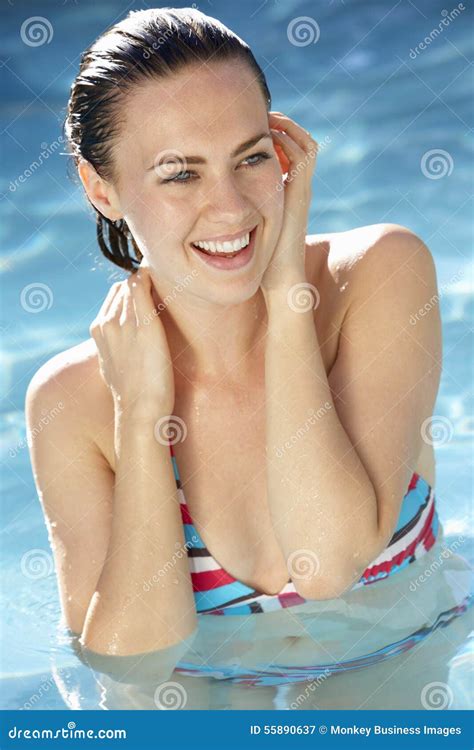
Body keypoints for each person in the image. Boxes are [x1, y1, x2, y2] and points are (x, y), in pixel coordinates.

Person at [25, 8, 442, 660]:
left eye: (249, 158)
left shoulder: (378, 277)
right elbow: (133, 669)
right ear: (101, 188)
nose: (231, 209)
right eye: (181, 173)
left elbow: (328, 565)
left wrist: (286, 301)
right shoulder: (72, 401)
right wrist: (140, 420)